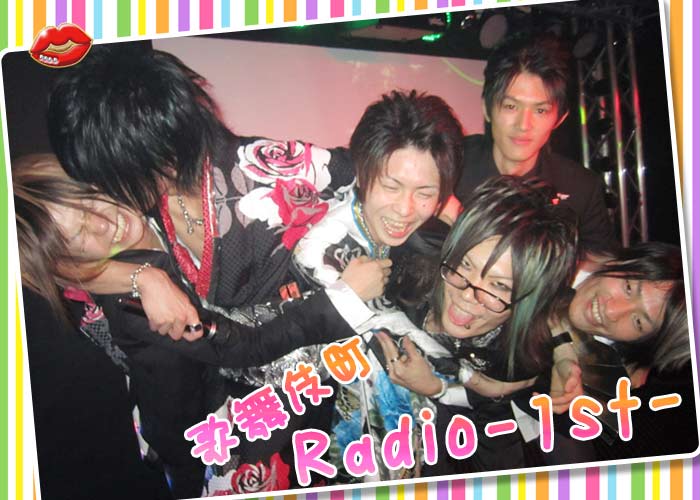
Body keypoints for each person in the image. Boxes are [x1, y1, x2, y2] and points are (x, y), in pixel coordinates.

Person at [14, 154, 389, 497]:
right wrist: (344, 297)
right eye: (80, 237)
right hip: (215, 436)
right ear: (71, 262)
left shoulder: (147, 204)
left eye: (88, 202)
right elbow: (245, 347)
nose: (104, 223)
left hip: (245, 377)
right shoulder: (134, 306)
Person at [371, 176, 580, 474]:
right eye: (466, 265)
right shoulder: (411, 265)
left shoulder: (514, 360)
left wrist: (439, 389)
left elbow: (493, 449)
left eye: (499, 286)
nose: (467, 296)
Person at [455, 32, 615, 255]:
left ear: (559, 119)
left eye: (540, 111)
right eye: (511, 106)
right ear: (487, 109)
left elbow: (600, 264)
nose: (524, 124)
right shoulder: (452, 164)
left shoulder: (581, 188)